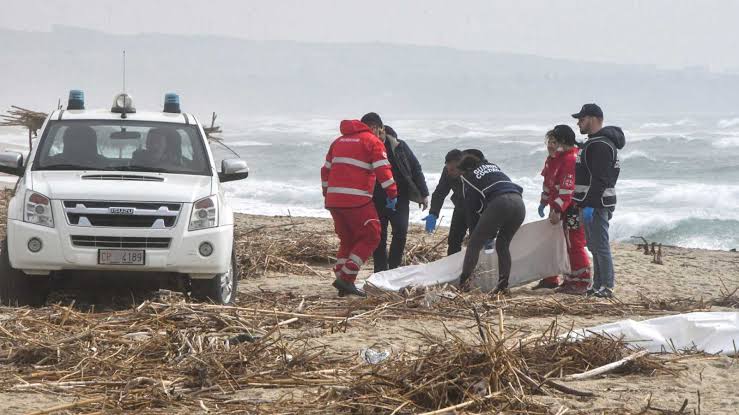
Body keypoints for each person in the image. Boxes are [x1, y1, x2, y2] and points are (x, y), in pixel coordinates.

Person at [321, 118, 398, 297]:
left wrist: (327, 193)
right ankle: (346, 278)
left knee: (347, 239)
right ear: (373, 127)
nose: (380, 134)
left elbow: (325, 171)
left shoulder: (338, 142)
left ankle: (342, 276)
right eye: (379, 130)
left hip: (334, 200)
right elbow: (383, 170)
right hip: (357, 200)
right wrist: (393, 194)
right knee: (372, 235)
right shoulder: (372, 142)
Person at [361, 113, 430, 273]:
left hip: (400, 196)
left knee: (400, 231)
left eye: (373, 129)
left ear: (381, 128)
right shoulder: (364, 148)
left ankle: (393, 269)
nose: (370, 133)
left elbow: (415, 168)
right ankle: (380, 271)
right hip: (375, 197)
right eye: (365, 130)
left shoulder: (399, 146)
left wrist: (424, 194)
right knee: (379, 235)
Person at [571, 104, 626, 298]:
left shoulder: (600, 145)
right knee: (593, 246)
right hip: (592, 202)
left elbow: (600, 179)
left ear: (593, 119)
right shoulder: (593, 143)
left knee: (600, 245)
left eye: (581, 119)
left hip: (597, 204)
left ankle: (607, 286)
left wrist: (590, 205)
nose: (578, 122)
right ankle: (597, 285)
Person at [535, 125, 593, 294]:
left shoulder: (571, 159)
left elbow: (568, 189)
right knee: (557, 244)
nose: (551, 145)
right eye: (549, 142)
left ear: (563, 142)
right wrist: (544, 202)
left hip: (572, 209)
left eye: (554, 141)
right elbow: (548, 183)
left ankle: (581, 281)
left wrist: (558, 209)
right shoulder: (553, 159)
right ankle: (557, 279)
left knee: (574, 243)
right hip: (557, 208)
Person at [457, 152, 525, 296]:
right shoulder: (492, 166)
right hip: (519, 203)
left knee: (474, 243)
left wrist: (474, 232)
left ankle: (463, 283)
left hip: (500, 203)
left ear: (465, 170)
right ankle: (503, 285)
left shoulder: (468, 178)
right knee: (503, 244)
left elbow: (472, 208)